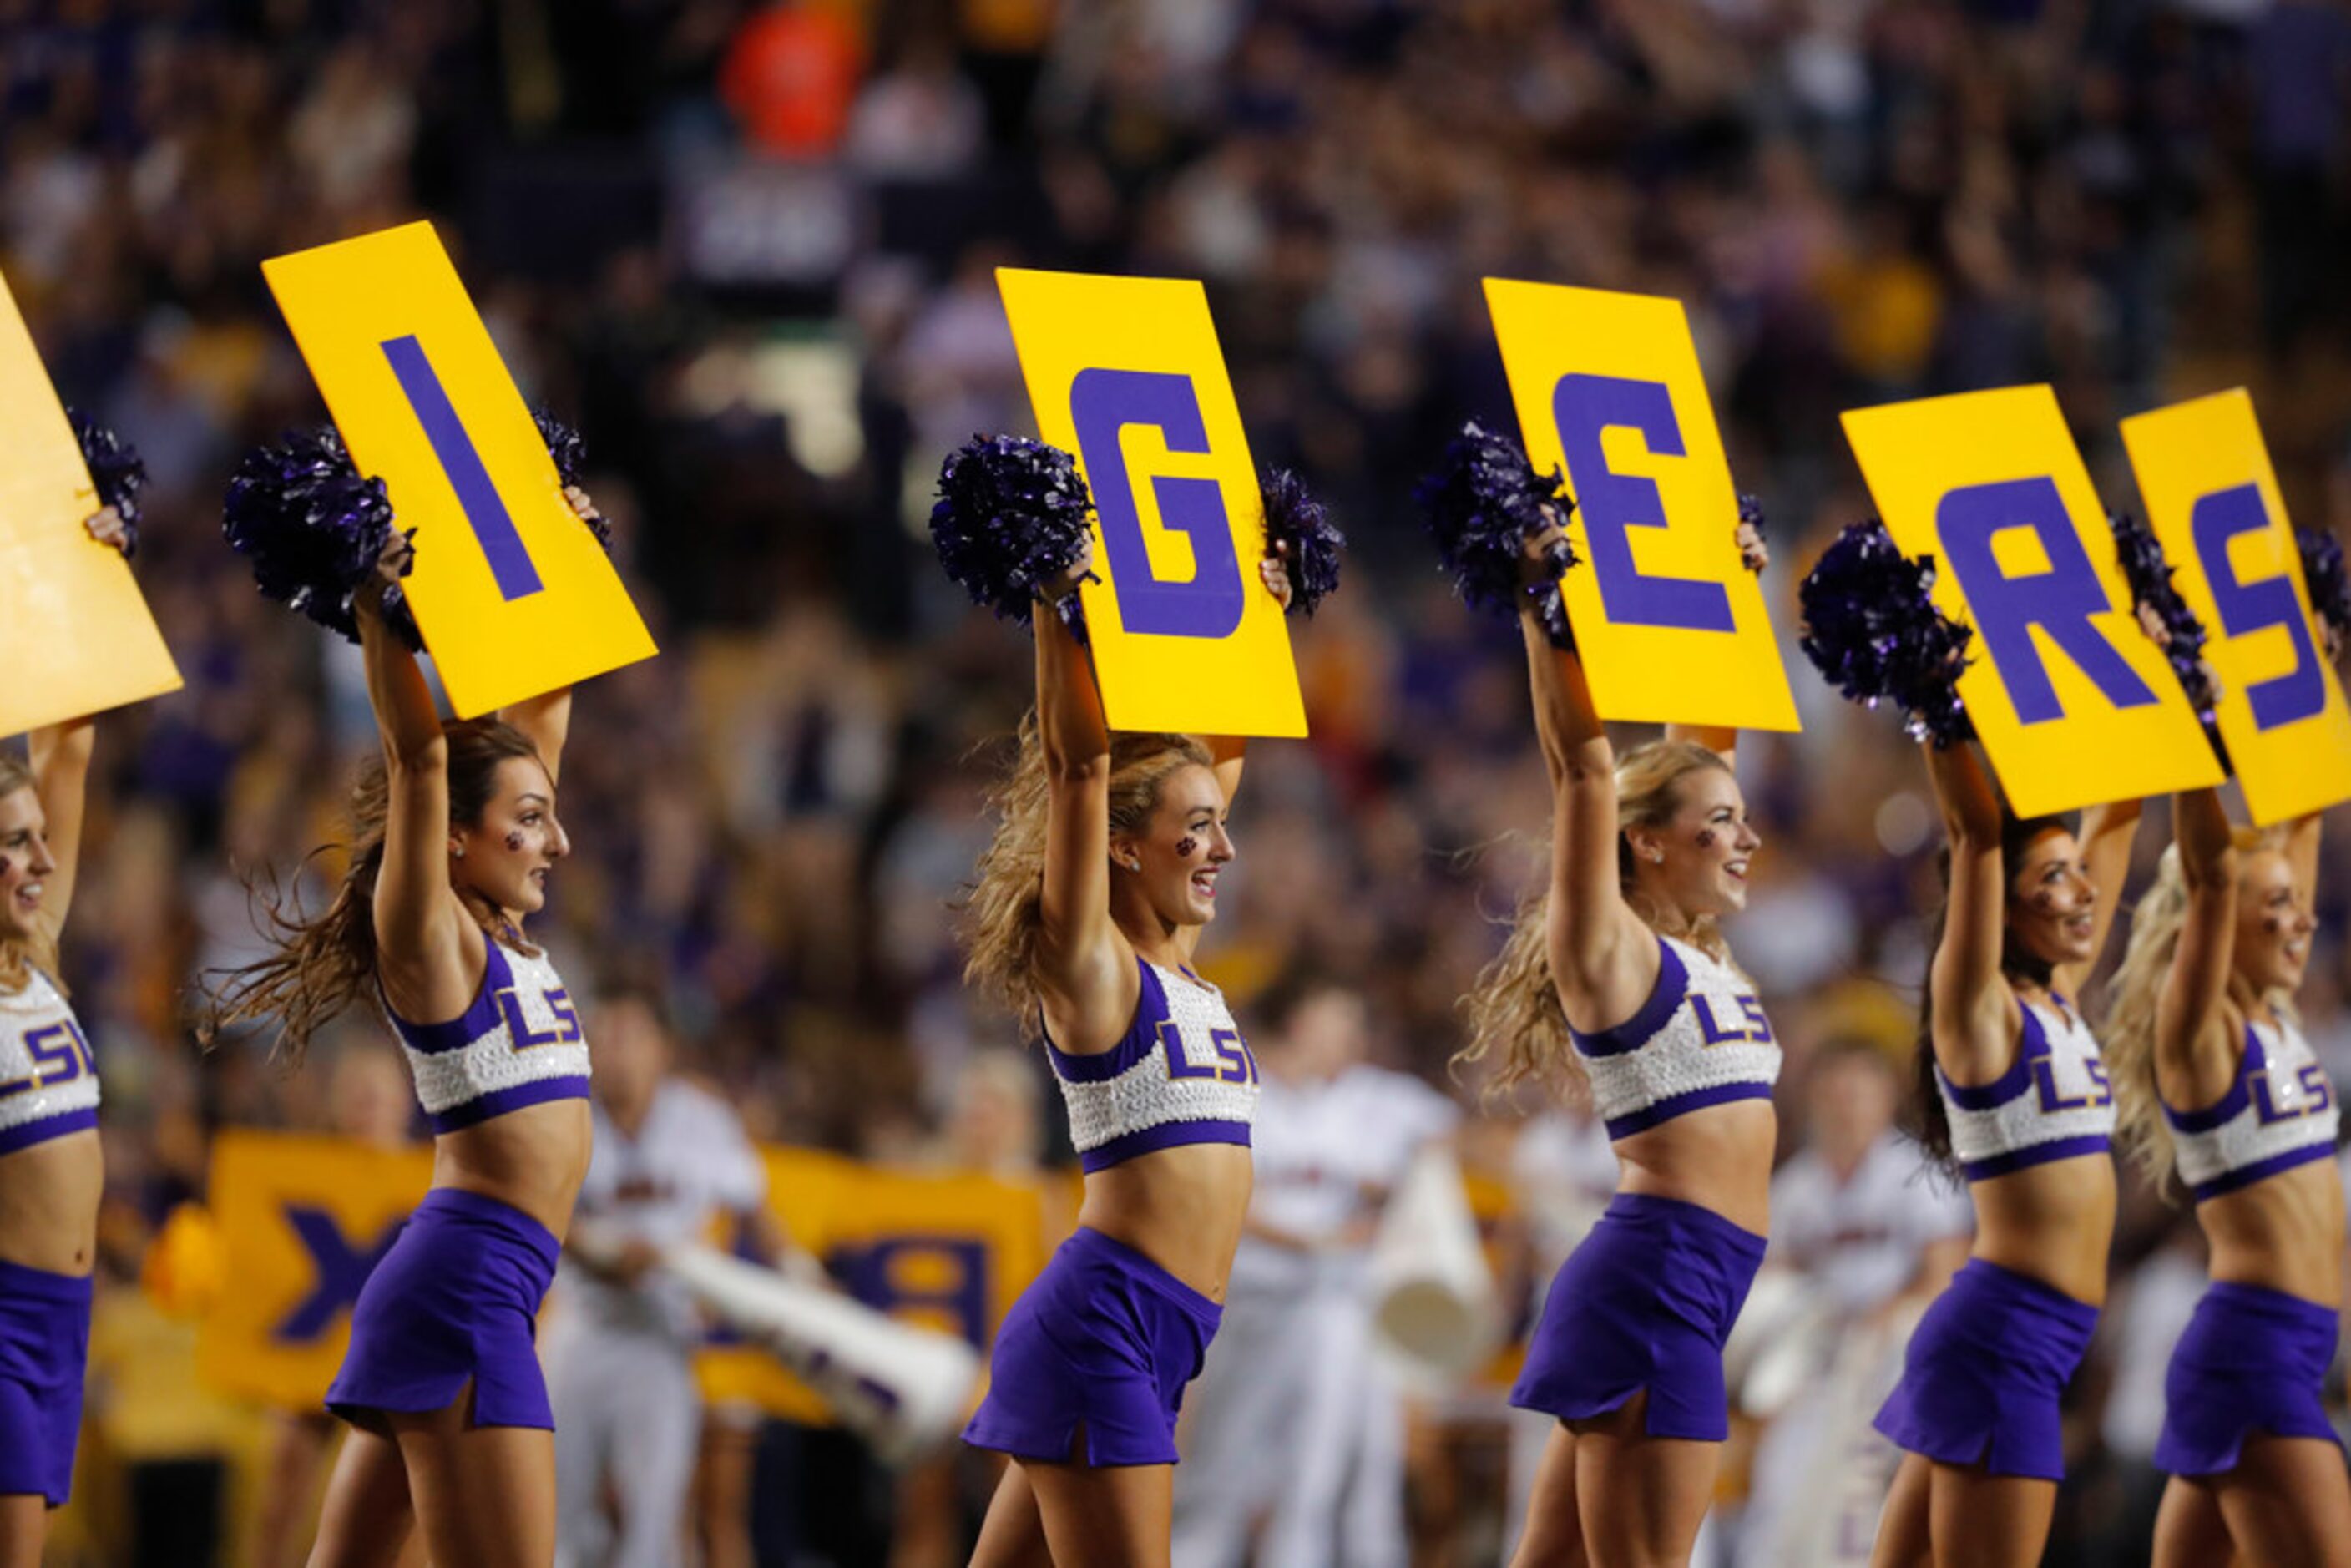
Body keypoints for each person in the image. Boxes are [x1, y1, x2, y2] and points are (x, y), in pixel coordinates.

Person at [208, 488, 604, 1567]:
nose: (555, 840)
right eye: (529, 820)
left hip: (474, 1286)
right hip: (467, 1286)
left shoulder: (503, 922)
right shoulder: (430, 937)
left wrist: (560, 551)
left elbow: (542, 710)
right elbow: (422, 759)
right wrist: (379, 598)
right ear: (461, 840)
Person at [956, 529, 1294, 1568]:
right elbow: (1077, 768)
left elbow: (1208, 770)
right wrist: (1061, 606)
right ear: (1121, 842)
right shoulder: (1095, 970)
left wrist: (1262, 609)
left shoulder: (1183, 957)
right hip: (1105, 1320)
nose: (1222, 847)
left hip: (1159, 1336)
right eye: (1195, 830)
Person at [1460, 514, 1780, 1568]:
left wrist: (1727, 595)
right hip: (1657, 1280)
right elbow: (1585, 776)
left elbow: (1706, 747)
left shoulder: (1702, 950)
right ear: (1646, 843)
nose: (1746, 838)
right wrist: (1543, 601)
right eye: (1720, 823)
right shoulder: (1610, 950)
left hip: (1689, 1282)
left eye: (1741, 819)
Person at [1865, 743, 2138, 1568]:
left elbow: (2117, 814)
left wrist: (2153, 689)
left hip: (2021, 1341)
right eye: (2053, 876)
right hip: (2002, 1342)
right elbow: (1976, 835)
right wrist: (1937, 709)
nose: (2082, 889)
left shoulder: (2055, 1001)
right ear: (1997, 907)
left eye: (2075, 872)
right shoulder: (1979, 1015)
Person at [2102, 791, 2348, 1565]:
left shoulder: (2277, 1018)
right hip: (2256, 1358)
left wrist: (2319, 699)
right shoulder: (2201, 1037)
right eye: (2276, 905)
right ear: (2222, 919)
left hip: (2279, 1354)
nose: (2302, 918)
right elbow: (2212, 877)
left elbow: (2299, 817)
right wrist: (2196, 744)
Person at [1170, 974, 1457, 1568]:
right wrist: (1320, 1238)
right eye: (1336, 1017)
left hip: (1333, 1310)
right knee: (1221, 1474)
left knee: (1325, 1476)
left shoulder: (1373, 1101)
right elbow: (1225, 1201)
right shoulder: (1242, 1093)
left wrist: (1401, 1198)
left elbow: (1451, 1138)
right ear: (1299, 1021)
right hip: (1249, 1310)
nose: (1350, 1033)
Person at [0, 506, 132, 1568]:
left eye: (37, 838)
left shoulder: (36, 950)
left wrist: (80, 572)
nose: (39, 858)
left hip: (61, 1318)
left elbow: (70, 747)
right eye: (12, 844)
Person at [547, 979, 776, 1568]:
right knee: (559, 1515)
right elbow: (539, 1215)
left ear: (661, 1048)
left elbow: (754, 1207)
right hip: (580, 1328)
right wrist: (605, 1253)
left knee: (656, 1520)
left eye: (630, 1036)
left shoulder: (699, 1119)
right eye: (607, 1035)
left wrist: (798, 1273)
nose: (615, 1050)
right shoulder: (563, 1116)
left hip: (660, 1334)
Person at [1736, 1042, 1971, 1568]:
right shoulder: (1796, 1186)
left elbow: (1947, 1274)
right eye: (1834, 1092)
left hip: (1894, 1364)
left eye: (1857, 1092)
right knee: (1781, 1500)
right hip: (1821, 1363)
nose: (1845, 1105)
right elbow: (1770, 1287)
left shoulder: (1914, 1172)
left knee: (1865, 1507)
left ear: (1885, 1099)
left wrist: (1877, 1321)